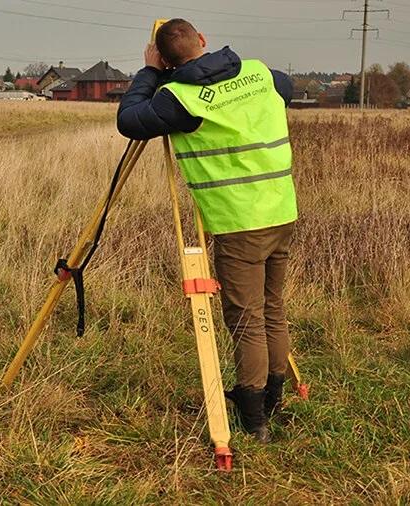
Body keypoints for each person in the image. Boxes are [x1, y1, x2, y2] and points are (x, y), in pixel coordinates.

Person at [117, 19, 295, 443]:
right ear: (203, 41)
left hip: (239, 223)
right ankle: (273, 395)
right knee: (272, 308)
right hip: (282, 211)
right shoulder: (258, 72)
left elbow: (128, 119)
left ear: (164, 58)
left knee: (247, 319)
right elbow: (285, 88)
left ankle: (254, 416)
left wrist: (148, 72)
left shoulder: (180, 98)